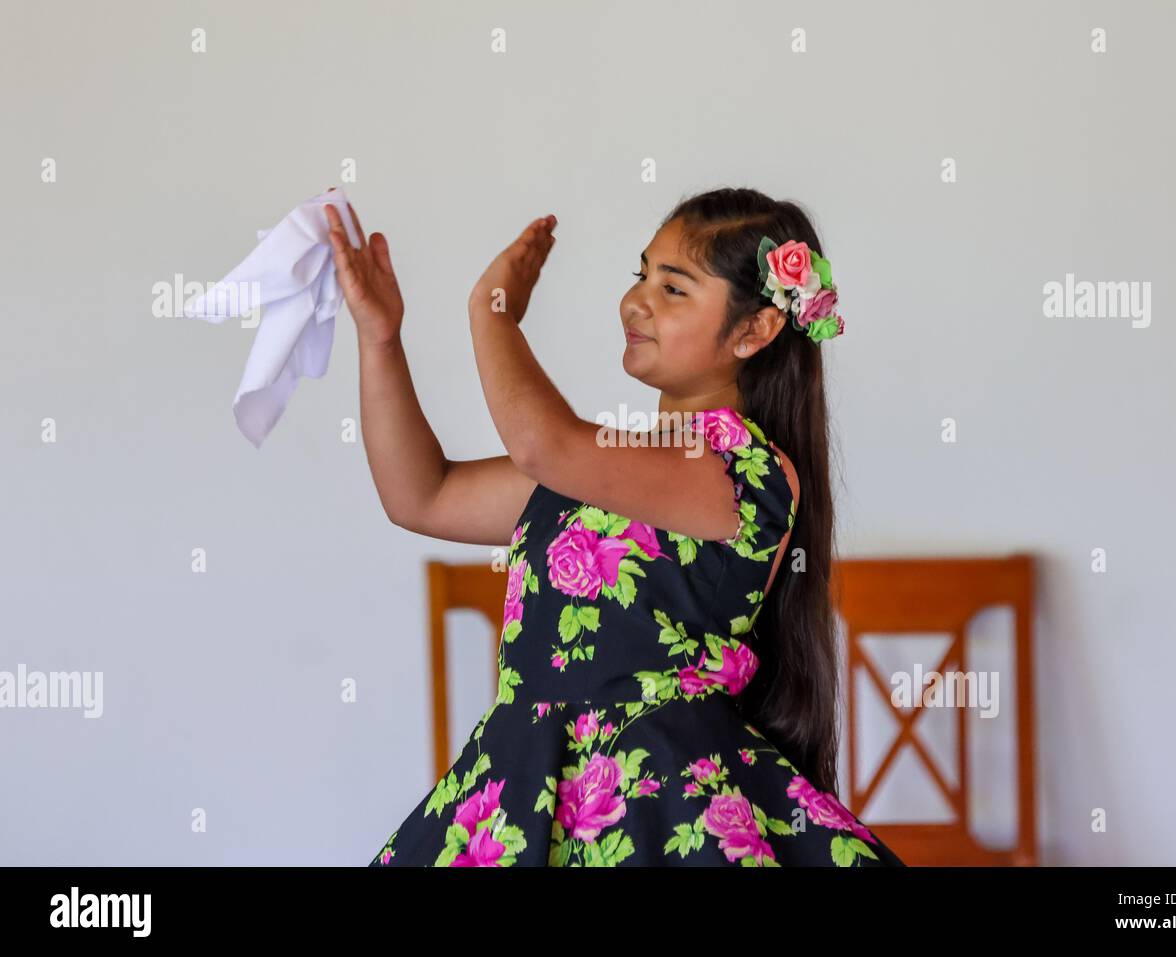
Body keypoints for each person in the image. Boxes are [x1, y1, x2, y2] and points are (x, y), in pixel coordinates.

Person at [325, 186, 905, 867]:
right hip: (526, 786)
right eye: (641, 274)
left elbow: (545, 445)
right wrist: (380, 337)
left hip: (655, 806)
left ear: (753, 331)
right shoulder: (605, 465)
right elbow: (422, 493)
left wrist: (493, 313)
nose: (637, 300)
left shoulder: (738, 469)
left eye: (675, 288)